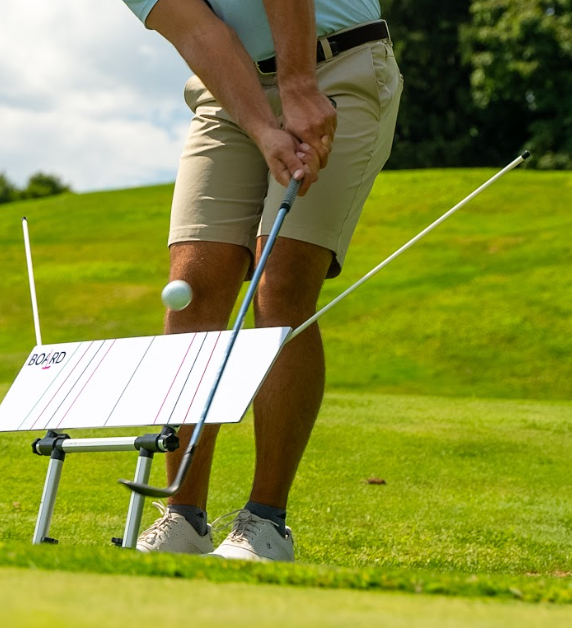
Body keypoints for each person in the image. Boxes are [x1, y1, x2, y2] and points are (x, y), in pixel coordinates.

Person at [122, 0, 402, 561]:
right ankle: (182, 516)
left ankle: (266, 522)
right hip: (228, 91)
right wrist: (259, 125)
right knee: (193, 292)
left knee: (281, 287)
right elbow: (199, 32)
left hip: (336, 66)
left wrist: (299, 85)